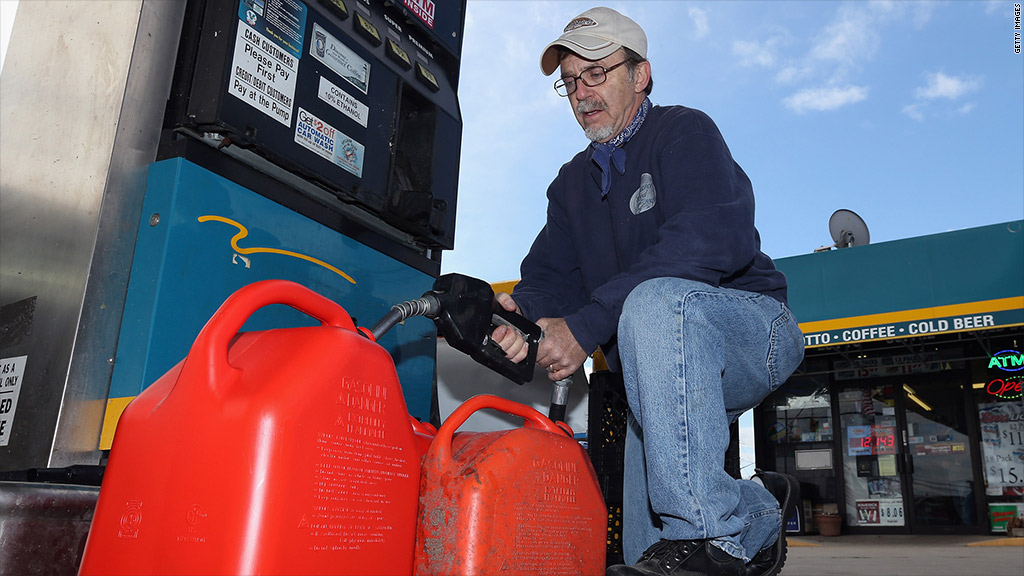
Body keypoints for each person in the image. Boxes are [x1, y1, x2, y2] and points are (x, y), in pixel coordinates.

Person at [490, 7, 806, 576]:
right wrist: (518, 316)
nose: (582, 93)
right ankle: (757, 512)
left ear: (641, 75)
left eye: (596, 73)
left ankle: (711, 533)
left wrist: (586, 326)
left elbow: (713, 236)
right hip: (657, 362)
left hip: (749, 329)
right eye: (569, 82)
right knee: (651, 560)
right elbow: (550, 278)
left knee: (655, 304)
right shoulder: (569, 185)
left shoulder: (684, 132)